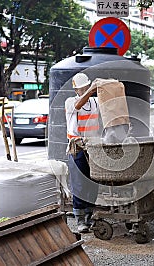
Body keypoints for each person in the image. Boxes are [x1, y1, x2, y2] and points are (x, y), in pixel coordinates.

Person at [65, 73, 99, 233]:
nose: (84, 90)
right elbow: (79, 104)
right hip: (77, 147)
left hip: (93, 147)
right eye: (82, 88)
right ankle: (80, 220)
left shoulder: (94, 102)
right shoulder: (71, 102)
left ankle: (89, 217)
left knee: (93, 183)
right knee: (79, 184)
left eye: (86, 87)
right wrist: (91, 90)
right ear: (77, 89)